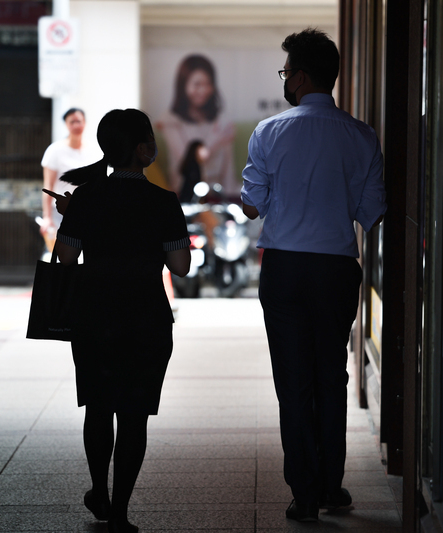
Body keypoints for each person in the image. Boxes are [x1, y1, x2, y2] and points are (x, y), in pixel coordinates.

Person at [240, 28, 387, 522]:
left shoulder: (269, 132)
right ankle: (331, 487)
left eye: (286, 73)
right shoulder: (362, 135)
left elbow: (252, 204)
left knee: (293, 382)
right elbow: (373, 212)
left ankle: (303, 493)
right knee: (331, 377)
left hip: (283, 269)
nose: (285, 81)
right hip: (336, 269)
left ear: (300, 77)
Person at [50, 109, 191, 533]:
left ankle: (99, 490)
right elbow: (180, 266)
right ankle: (121, 511)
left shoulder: (88, 197)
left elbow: (66, 258)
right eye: (150, 138)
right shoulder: (163, 202)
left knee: (98, 408)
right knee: (134, 416)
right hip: (146, 318)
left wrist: (71, 214)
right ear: (140, 148)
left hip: (93, 316)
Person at [157, 54, 237, 197]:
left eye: (208, 84)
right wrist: (217, 140)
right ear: (183, 85)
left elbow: (228, 173)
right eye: (197, 84)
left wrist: (232, 199)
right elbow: (188, 162)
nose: (203, 90)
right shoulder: (170, 121)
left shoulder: (221, 121)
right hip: (185, 194)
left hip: (217, 196)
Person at [39, 108, 93, 243]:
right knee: (64, 255)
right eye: (72, 122)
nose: (76, 125)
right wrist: (47, 217)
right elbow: (48, 185)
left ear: (85, 123)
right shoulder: (55, 150)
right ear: (66, 125)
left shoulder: (92, 150)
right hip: (61, 211)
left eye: (79, 121)